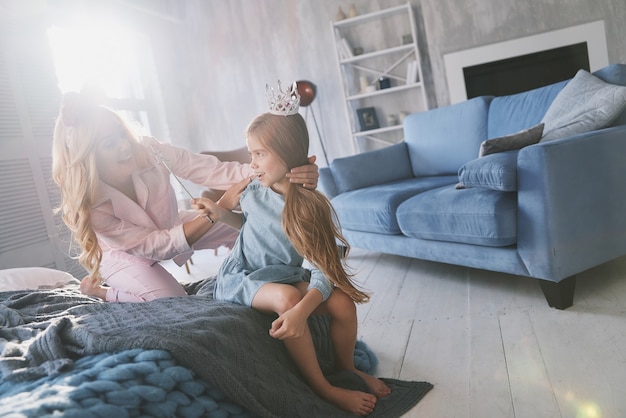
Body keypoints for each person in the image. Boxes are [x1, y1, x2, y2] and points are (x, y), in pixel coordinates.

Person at [191, 82, 391, 416]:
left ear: (287, 153)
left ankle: (348, 370)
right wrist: (220, 214)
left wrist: (304, 311)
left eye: (259, 154)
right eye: (251, 154)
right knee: (288, 300)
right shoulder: (254, 192)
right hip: (245, 277)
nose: (252, 164)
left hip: (285, 273)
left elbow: (322, 270)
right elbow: (251, 227)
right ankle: (324, 387)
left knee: (342, 304)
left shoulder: (312, 207)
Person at [51, 91, 319, 303]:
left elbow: (210, 169)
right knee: (172, 301)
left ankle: (259, 283)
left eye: (122, 134)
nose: (125, 146)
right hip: (127, 256)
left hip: (172, 225)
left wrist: (284, 170)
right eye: (110, 144)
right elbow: (155, 246)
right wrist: (220, 208)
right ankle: (103, 293)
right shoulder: (92, 206)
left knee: (251, 229)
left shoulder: (149, 150)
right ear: (89, 158)